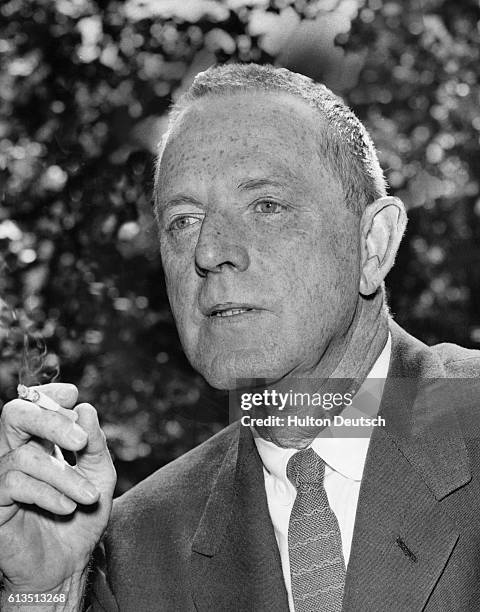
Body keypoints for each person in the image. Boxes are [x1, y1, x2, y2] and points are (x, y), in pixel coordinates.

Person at [1, 63, 479, 612]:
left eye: (266, 206)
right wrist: (43, 593)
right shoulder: (136, 546)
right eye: (183, 220)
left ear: (373, 244)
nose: (209, 251)